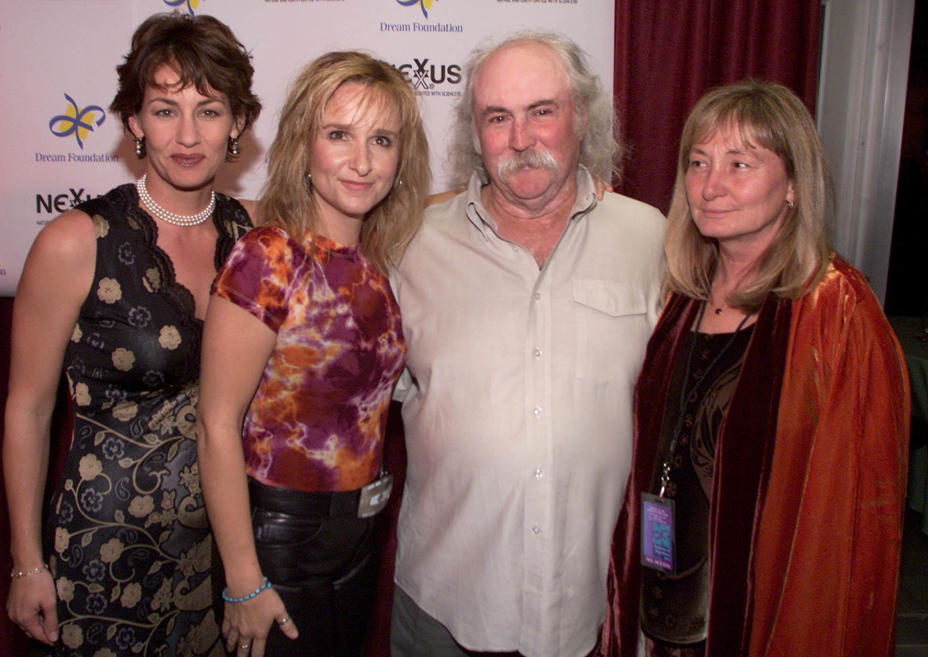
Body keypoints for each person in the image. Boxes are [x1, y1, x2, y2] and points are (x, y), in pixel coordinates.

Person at [601, 80, 910, 657]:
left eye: (740, 163)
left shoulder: (836, 311)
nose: (710, 186)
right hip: (663, 593)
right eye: (698, 162)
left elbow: (852, 516)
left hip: (762, 613)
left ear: (793, 185)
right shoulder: (680, 296)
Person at [388, 32, 666, 657]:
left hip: (596, 609)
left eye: (542, 111)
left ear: (582, 115)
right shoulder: (412, 246)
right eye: (498, 118)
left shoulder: (652, 240)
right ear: (474, 131)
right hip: (446, 606)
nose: (520, 139)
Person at [3, 13, 261, 656]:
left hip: (224, 560)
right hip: (104, 555)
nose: (187, 134)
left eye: (208, 110)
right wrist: (26, 563)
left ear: (238, 124)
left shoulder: (257, 236)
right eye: (165, 109)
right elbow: (29, 410)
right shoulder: (75, 242)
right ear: (134, 123)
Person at [195, 50, 429, 657]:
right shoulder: (268, 257)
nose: (361, 161)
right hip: (279, 539)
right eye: (339, 135)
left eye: (381, 140)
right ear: (304, 144)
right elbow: (215, 425)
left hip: (362, 533)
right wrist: (244, 581)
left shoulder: (376, 259)